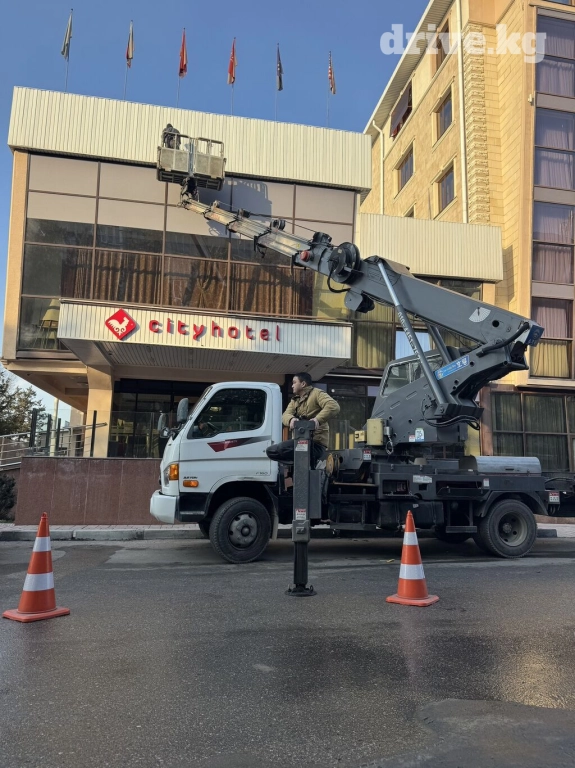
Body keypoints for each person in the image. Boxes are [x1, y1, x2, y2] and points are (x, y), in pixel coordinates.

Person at [266, 373, 340, 467]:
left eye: (294, 382)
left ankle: (309, 462)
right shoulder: (295, 400)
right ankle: (300, 463)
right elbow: (285, 415)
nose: (292, 385)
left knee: (281, 448)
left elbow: (333, 406)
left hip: (315, 444)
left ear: (303, 384)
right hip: (299, 442)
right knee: (271, 451)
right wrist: (291, 419)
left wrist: (317, 420)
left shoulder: (317, 393)